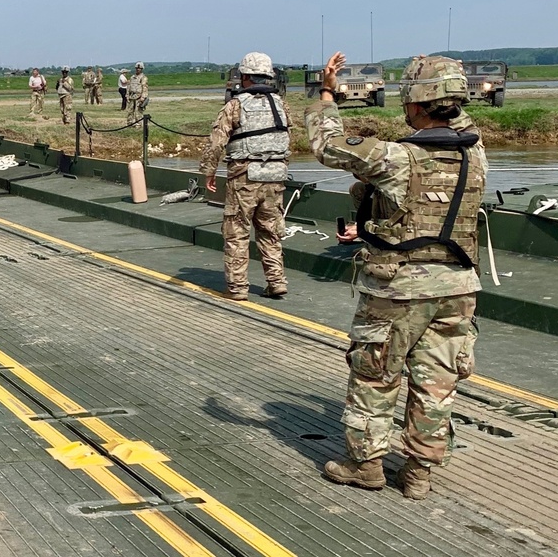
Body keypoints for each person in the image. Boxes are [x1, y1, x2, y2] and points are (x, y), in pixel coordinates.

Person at [308, 52, 486, 500]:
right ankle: (419, 473)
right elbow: (454, 117)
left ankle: (365, 465)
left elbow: (328, 145)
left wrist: (327, 93)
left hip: (401, 287)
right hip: (459, 287)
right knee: (437, 382)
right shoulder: (475, 152)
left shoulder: (400, 158)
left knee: (375, 374)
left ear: (415, 104)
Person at [199, 52, 289, 301]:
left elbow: (217, 141)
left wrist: (209, 171)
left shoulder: (236, 105)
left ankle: (237, 287)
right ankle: (276, 281)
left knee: (236, 230)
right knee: (270, 231)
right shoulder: (281, 104)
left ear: (245, 76)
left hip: (244, 177)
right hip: (276, 176)